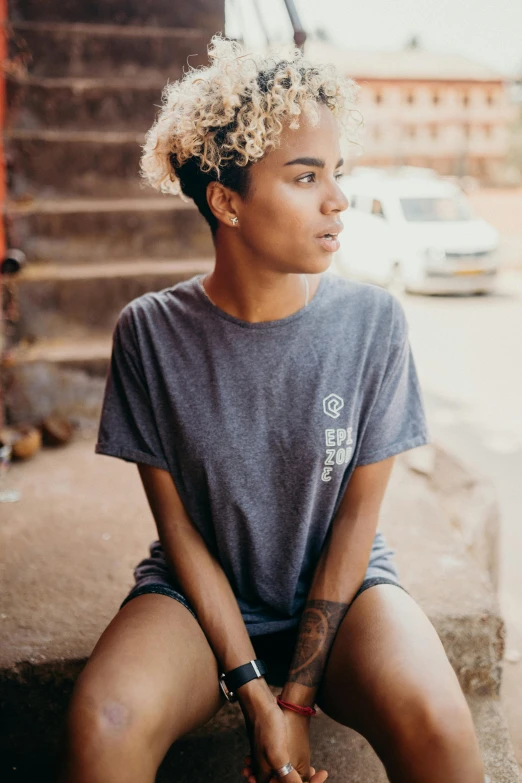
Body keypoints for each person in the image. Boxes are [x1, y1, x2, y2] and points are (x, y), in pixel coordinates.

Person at [59, 35, 486, 783]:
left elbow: (355, 521)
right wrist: (253, 693)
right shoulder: (150, 333)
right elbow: (180, 532)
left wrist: (297, 699)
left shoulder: (373, 324)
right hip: (195, 600)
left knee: (440, 718)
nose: (338, 198)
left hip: (346, 592)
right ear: (226, 200)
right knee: (105, 721)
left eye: (337, 172)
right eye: (305, 176)